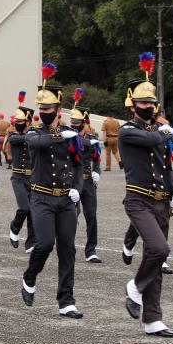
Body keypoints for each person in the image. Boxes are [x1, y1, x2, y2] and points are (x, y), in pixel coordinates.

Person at [119, 58, 173, 337]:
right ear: (133, 106)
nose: (149, 108)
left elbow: (164, 164)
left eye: (151, 103)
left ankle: (153, 319)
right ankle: (135, 287)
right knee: (160, 249)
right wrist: (163, 131)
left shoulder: (156, 131)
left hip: (161, 201)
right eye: (143, 104)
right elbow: (152, 140)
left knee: (154, 259)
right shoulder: (128, 130)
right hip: (139, 199)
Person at [20, 65, 85, 318]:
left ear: (58, 110)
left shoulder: (72, 137)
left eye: (47, 110)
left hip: (65, 199)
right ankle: (30, 275)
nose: (43, 113)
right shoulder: (35, 133)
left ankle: (66, 300)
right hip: (41, 197)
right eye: (41, 109)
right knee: (45, 243)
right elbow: (38, 143)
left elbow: (79, 165)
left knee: (67, 248)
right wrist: (63, 135)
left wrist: (77, 189)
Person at [69, 90, 102, 263]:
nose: (74, 125)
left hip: (88, 180)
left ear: (85, 122)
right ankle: (69, 247)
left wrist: (97, 171)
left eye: (77, 122)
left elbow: (96, 158)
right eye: (72, 122)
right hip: (72, 180)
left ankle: (91, 250)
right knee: (72, 216)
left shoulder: (91, 137)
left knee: (91, 215)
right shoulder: (67, 136)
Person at [8, 91, 37, 252]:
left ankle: (31, 242)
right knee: (24, 207)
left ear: (28, 121)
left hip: (33, 178)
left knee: (33, 210)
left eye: (20, 121)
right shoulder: (14, 136)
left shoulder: (34, 134)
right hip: (18, 177)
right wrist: (33, 134)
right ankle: (14, 227)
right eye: (16, 120)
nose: (16, 123)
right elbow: (19, 139)